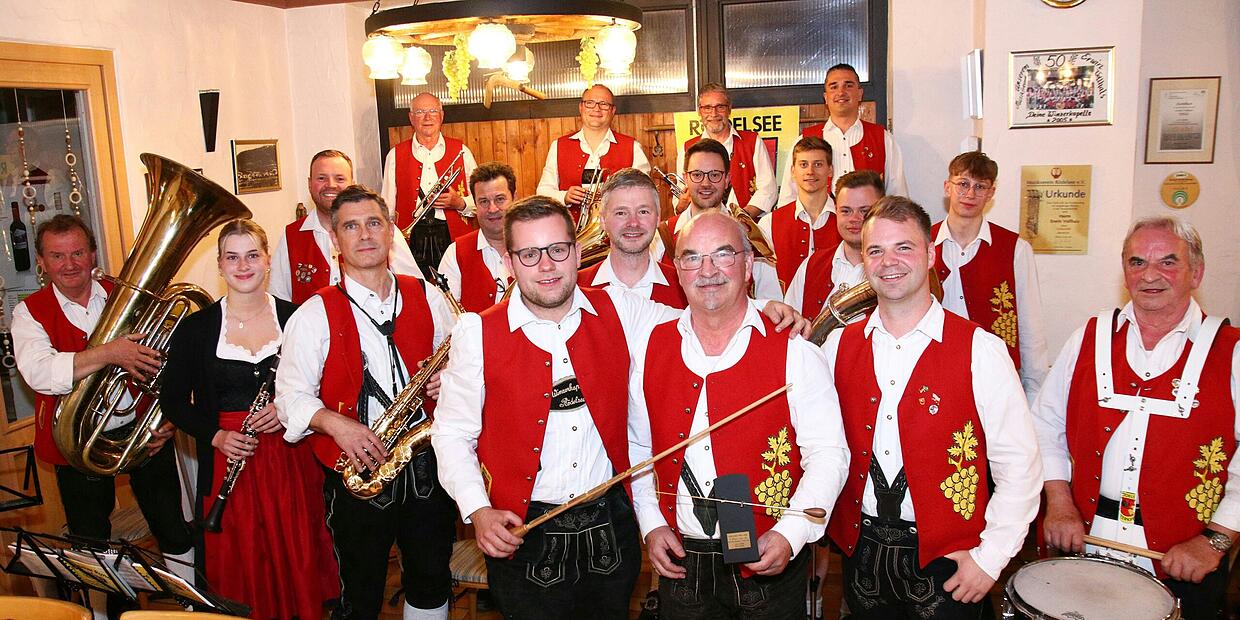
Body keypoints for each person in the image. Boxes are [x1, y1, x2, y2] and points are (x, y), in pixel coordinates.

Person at [431, 196, 807, 619]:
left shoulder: (619, 307)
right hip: (523, 532)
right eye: (530, 254)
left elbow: (705, 310)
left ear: (577, 253)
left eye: (557, 250)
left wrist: (764, 308)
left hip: (610, 528)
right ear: (509, 262)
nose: (546, 265)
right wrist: (478, 509)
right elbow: (451, 434)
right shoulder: (476, 331)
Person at [823, 196, 1042, 619]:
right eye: (875, 250)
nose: (889, 261)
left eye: (904, 247)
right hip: (860, 556)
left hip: (951, 563)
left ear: (930, 254)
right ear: (863, 262)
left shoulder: (981, 349)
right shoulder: (837, 346)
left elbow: (1021, 465)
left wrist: (991, 558)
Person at [630, 210, 850, 618]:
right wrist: (651, 522)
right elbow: (638, 446)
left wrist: (790, 534)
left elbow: (828, 454)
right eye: (692, 257)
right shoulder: (650, 345)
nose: (707, 270)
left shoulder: (796, 351)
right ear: (678, 270)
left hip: (768, 559)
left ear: (748, 264)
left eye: (723, 254)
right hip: (682, 562)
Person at [1034, 217, 1240, 618]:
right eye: (1137, 262)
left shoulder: (1231, 352)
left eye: (1168, 262)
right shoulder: (1088, 337)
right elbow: (1044, 424)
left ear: (1196, 272)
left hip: (1185, 561)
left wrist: (1214, 541)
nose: (1149, 275)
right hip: (1087, 547)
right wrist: (1059, 503)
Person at [275, 185, 458, 620]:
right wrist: (338, 425)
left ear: (391, 231)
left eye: (374, 223)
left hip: (427, 465)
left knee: (431, 581)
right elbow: (289, 397)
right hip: (355, 468)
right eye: (351, 227)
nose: (365, 234)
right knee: (360, 594)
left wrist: (449, 381)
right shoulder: (313, 313)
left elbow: (463, 363)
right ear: (335, 239)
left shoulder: (428, 296)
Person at [11, 215, 194, 616]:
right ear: (41, 261)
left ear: (93, 254)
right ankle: (101, 614)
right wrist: (110, 353)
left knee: (172, 526)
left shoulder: (126, 296)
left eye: (78, 252)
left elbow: (171, 363)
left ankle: (193, 608)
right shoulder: (29, 312)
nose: (69, 264)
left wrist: (169, 419)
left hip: (143, 433)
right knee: (90, 540)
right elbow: (40, 373)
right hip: (75, 443)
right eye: (57, 256)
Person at [161, 219, 337, 620]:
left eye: (252, 255)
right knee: (242, 566)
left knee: (298, 554)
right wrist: (216, 436)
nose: (243, 266)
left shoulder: (298, 318)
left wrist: (290, 407)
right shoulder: (196, 329)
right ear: (220, 265)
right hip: (230, 460)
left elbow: (329, 384)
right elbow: (173, 402)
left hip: (291, 460)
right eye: (232, 257)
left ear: (268, 260)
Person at [932, 151, 1048, 401]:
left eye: (980, 186)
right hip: (933, 374)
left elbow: (1031, 327)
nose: (970, 194)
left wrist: (1034, 394)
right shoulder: (922, 243)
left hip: (995, 379)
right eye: (963, 184)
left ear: (991, 193)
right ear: (947, 187)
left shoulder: (1015, 249)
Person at [271, 149, 422, 304]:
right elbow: (278, 301)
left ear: (352, 184)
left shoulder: (381, 231)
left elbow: (415, 291)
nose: (331, 185)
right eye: (321, 178)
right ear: (309, 184)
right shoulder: (291, 236)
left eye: (340, 179)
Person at [661, 138, 781, 302]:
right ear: (685, 179)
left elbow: (770, 303)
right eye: (697, 175)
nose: (705, 183)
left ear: (727, 180)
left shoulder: (752, 238)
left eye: (715, 175)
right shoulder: (661, 237)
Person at [777, 63, 907, 204]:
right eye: (834, 87)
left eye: (848, 85)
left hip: (869, 219)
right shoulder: (804, 140)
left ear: (860, 94)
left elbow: (898, 199)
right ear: (826, 97)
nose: (841, 92)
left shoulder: (883, 139)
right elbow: (788, 198)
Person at [381, 92, 478, 273]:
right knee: (414, 286)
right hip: (411, 239)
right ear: (411, 118)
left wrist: (459, 202)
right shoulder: (394, 156)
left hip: (451, 236)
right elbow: (387, 208)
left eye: (433, 111)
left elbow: (481, 201)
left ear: (441, 116)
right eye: (420, 112)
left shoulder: (462, 152)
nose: (427, 117)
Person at [536, 84, 651, 223]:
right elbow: (542, 192)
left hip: (618, 231)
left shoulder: (633, 147)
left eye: (604, 104)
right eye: (590, 103)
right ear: (581, 107)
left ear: (613, 110)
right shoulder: (558, 146)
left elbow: (645, 193)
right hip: (570, 231)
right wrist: (565, 196)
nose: (597, 109)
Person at [578, 167, 687, 308]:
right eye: (621, 213)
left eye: (643, 211)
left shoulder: (686, 288)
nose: (633, 223)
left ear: (658, 217)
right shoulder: (575, 289)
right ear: (603, 220)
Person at [785, 170, 884, 318]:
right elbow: (791, 324)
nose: (854, 219)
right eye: (846, 211)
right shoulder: (811, 265)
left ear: (882, 211)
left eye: (864, 211)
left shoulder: (894, 270)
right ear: (836, 210)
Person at [676, 83, 775, 219]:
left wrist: (741, 219)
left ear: (729, 108)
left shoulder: (752, 142)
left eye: (720, 107)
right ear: (699, 111)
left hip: (745, 227)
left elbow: (768, 190)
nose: (714, 114)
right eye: (707, 108)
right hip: (700, 227)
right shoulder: (687, 148)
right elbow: (679, 202)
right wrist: (681, 204)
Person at [759, 136, 841, 289]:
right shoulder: (769, 224)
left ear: (830, 170)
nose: (810, 171)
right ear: (793, 171)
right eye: (803, 165)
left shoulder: (847, 220)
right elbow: (764, 285)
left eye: (818, 164)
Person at [436, 162, 515, 311]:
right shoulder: (455, 253)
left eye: (500, 199)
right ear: (475, 204)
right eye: (484, 201)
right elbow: (445, 314)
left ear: (514, 199)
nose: (492, 209)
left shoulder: (535, 247)